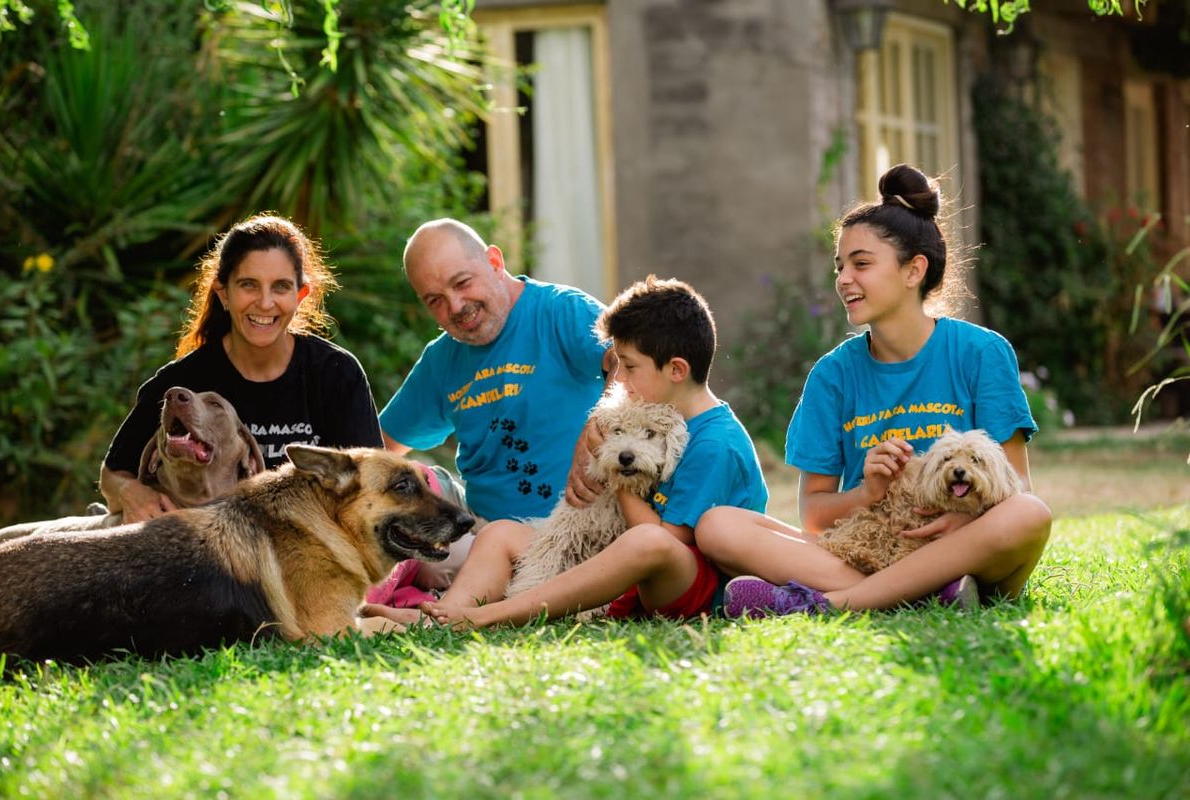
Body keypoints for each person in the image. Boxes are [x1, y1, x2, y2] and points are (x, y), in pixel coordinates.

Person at [695, 163, 1053, 616]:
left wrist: (961, 519)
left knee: (1030, 514)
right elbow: (815, 517)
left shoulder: (981, 353)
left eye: (861, 264)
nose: (844, 279)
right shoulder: (832, 375)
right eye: (840, 267)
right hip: (867, 551)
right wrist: (869, 491)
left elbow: (1017, 484)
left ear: (913, 270)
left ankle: (831, 603)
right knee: (717, 524)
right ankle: (930, 594)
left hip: (966, 547)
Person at [410, 276, 768, 629]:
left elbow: (666, 542)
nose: (620, 379)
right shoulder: (668, 419)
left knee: (646, 540)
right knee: (501, 533)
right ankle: (442, 617)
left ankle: (499, 613)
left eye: (628, 367)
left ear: (676, 370)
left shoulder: (713, 444)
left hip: (697, 591)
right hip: (637, 564)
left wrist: (620, 478)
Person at [371, 218, 614, 594]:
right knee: (414, 514)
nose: (456, 306)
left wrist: (595, 429)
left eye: (462, 282)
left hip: (577, 529)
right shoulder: (442, 360)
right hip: (478, 531)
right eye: (434, 300)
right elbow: (378, 447)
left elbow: (634, 364)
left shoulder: (561, 311)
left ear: (495, 263)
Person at [100, 214, 383, 524]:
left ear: (300, 295)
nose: (264, 303)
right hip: (207, 551)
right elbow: (113, 473)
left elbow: (369, 487)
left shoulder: (337, 374)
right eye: (249, 285)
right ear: (224, 292)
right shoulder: (182, 383)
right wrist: (131, 492)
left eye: (280, 287)